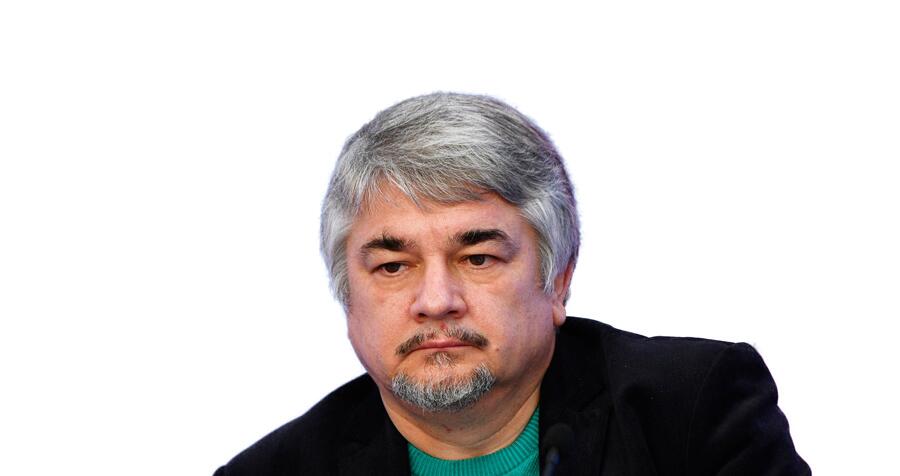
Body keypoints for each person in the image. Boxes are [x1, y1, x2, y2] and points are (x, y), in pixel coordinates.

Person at [214, 93, 810, 475]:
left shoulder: (690, 410)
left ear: (558, 280)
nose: (436, 301)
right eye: (393, 267)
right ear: (347, 296)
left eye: (477, 258)